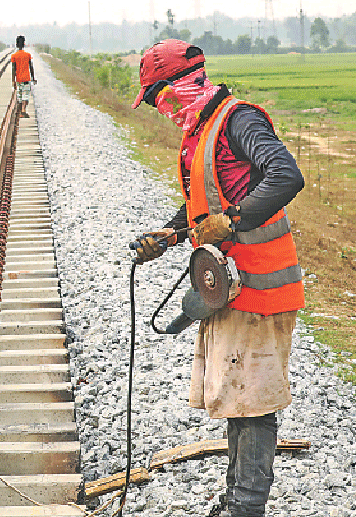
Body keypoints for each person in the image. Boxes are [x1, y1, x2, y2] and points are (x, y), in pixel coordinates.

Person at [131, 40, 304, 517]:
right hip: (231, 287)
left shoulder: (237, 120)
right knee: (238, 399)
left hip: (260, 285)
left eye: (156, 97)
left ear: (177, 85)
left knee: (254, 403)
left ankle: (247, 507)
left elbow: (286, 176)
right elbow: (207, 204)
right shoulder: (202, 128)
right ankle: (235, 503)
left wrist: (234, 220)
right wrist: (167, 235)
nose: (158, 108)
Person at [10, 35, 36, 117]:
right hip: (26, 78)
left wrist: (13, 80)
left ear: (16, 44)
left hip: (18, 79)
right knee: (26, 95)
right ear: (24, 44)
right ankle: (23, 110)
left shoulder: (14, 56)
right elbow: (31, 67)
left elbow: (13, 69)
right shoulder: (27, 55)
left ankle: (21, 111)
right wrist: (33, 78)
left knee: (20, 95)